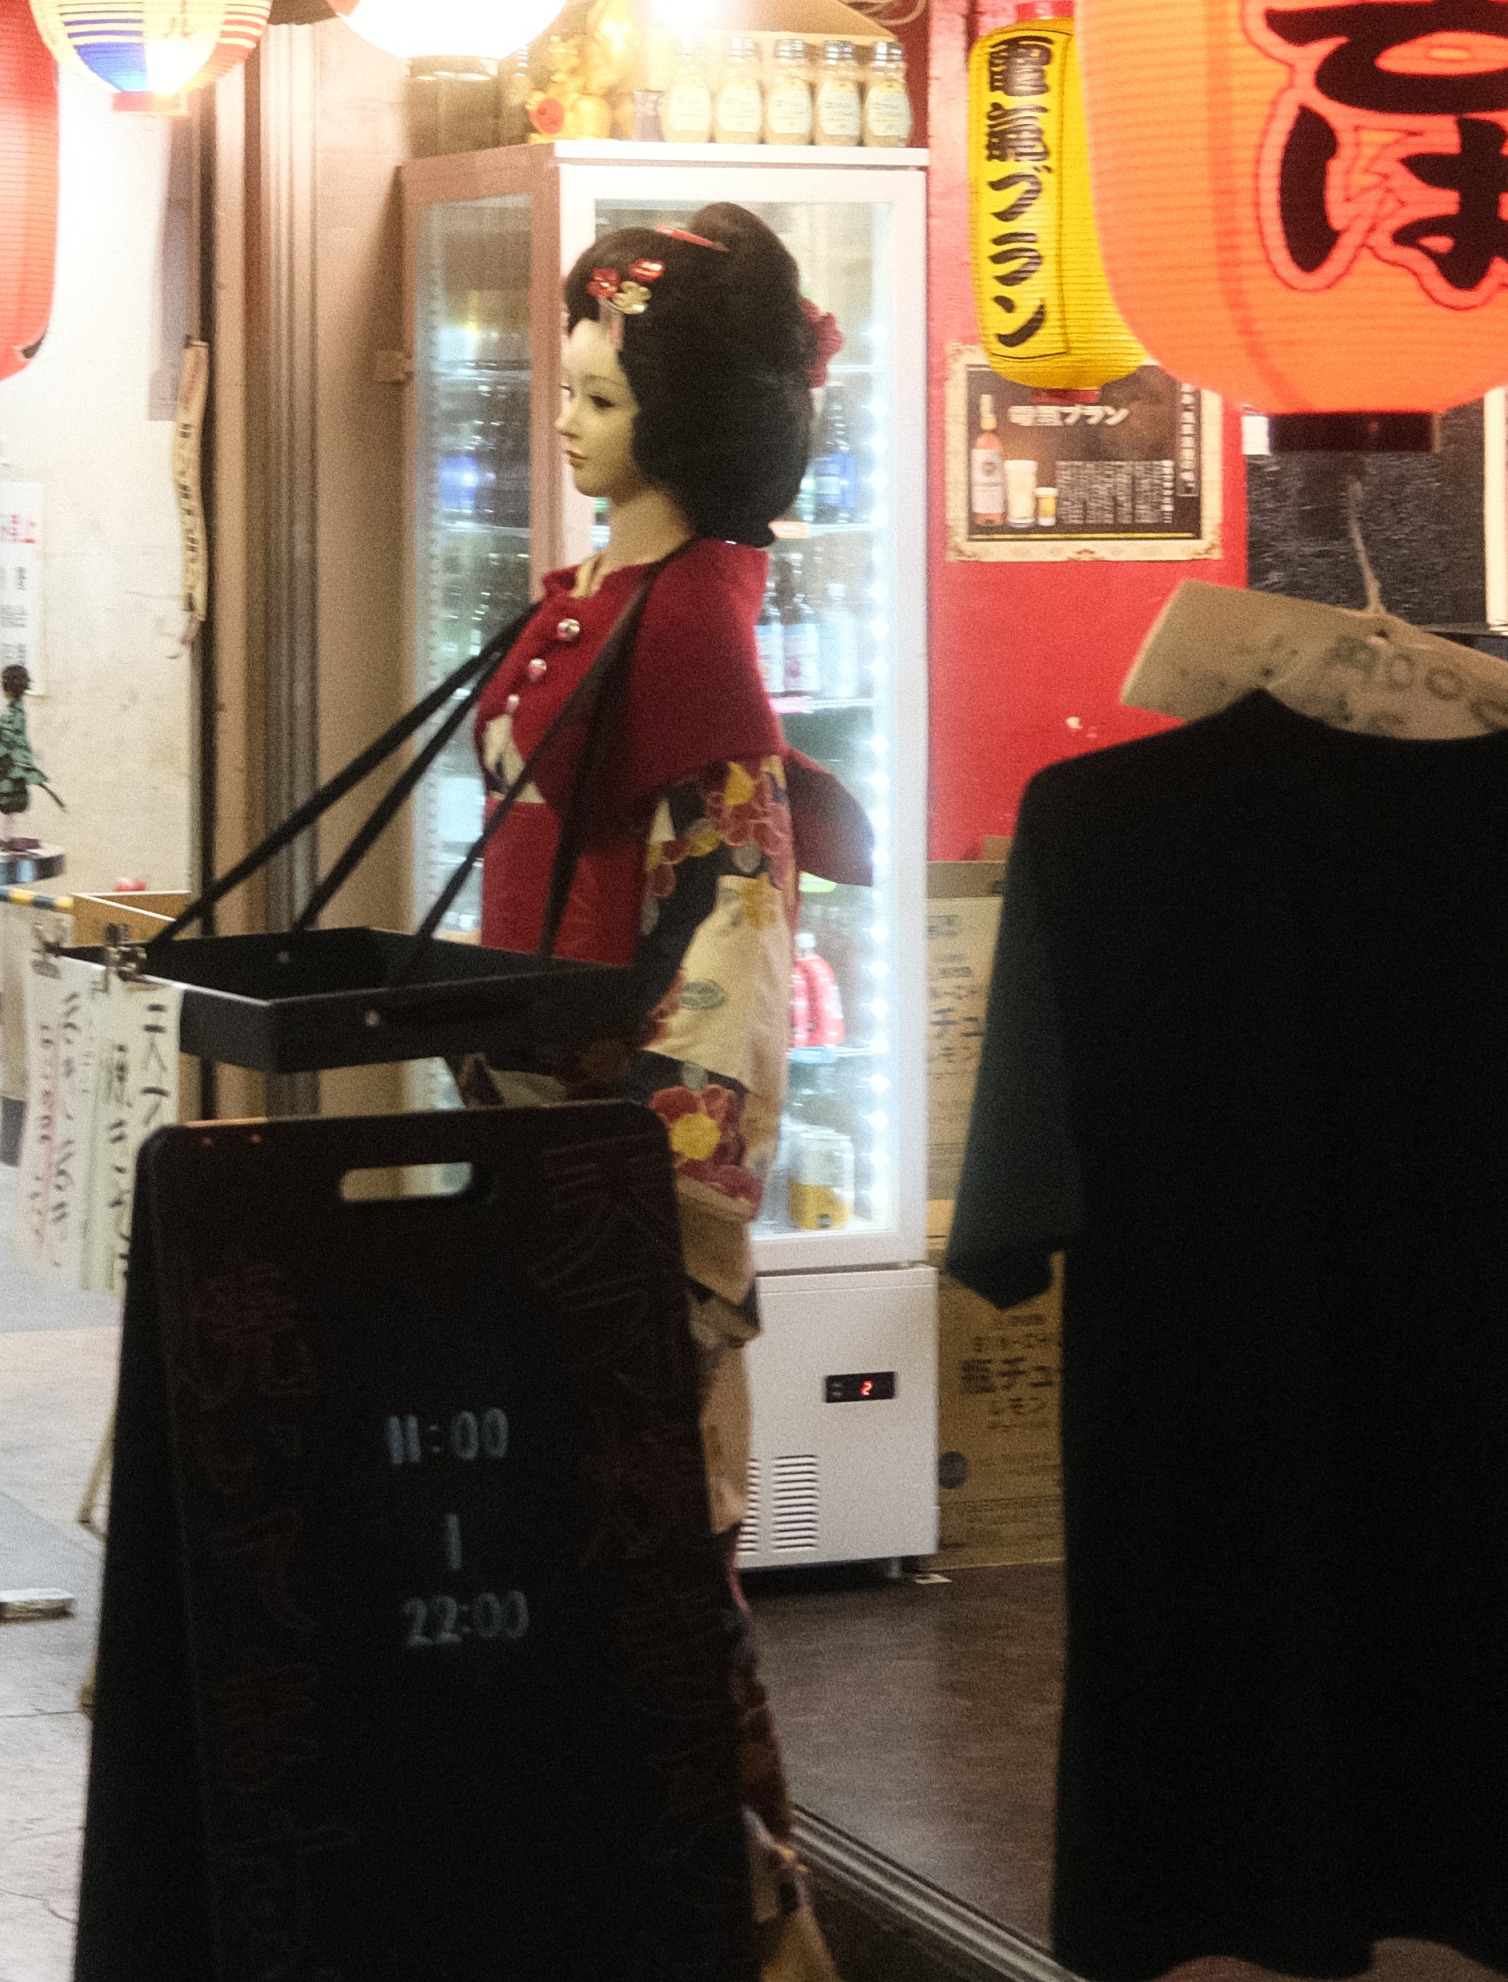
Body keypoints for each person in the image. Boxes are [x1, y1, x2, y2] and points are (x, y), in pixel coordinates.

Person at [457, 202, 843, 1981]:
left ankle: (733, 1911)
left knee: (647, 1548)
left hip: (623, 1152)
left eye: (605, 394)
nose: (570, 415)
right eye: (574, 383)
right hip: (538, 1110)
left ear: (683, 418)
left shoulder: (690, 626)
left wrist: (679, 1200)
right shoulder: (605, 600)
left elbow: (733, 941)